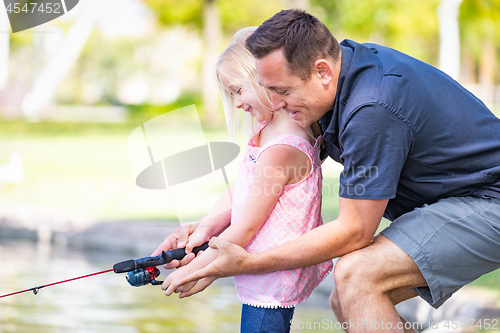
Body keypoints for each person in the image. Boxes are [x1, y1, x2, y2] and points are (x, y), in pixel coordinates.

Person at [157, 9, 500, 333]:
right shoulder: (337, 77)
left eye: (282, 91)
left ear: (322, 71)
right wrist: (203, 228)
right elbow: (263, 180)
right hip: (457, 199)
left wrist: (248, 263)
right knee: (347, 296)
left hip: (489, 199)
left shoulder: (371, 107)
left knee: (358, 276)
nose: (275, 105)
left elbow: (354, 231)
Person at [154, 27, 333, 333]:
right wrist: (204, 229)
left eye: (238, 90)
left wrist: (198, 269)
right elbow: (238, 191)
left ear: (261, 78)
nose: (236, 103)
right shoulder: (266, 134)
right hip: (257, 271)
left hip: (271, 282)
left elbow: (247, 225)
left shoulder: (282, 149)